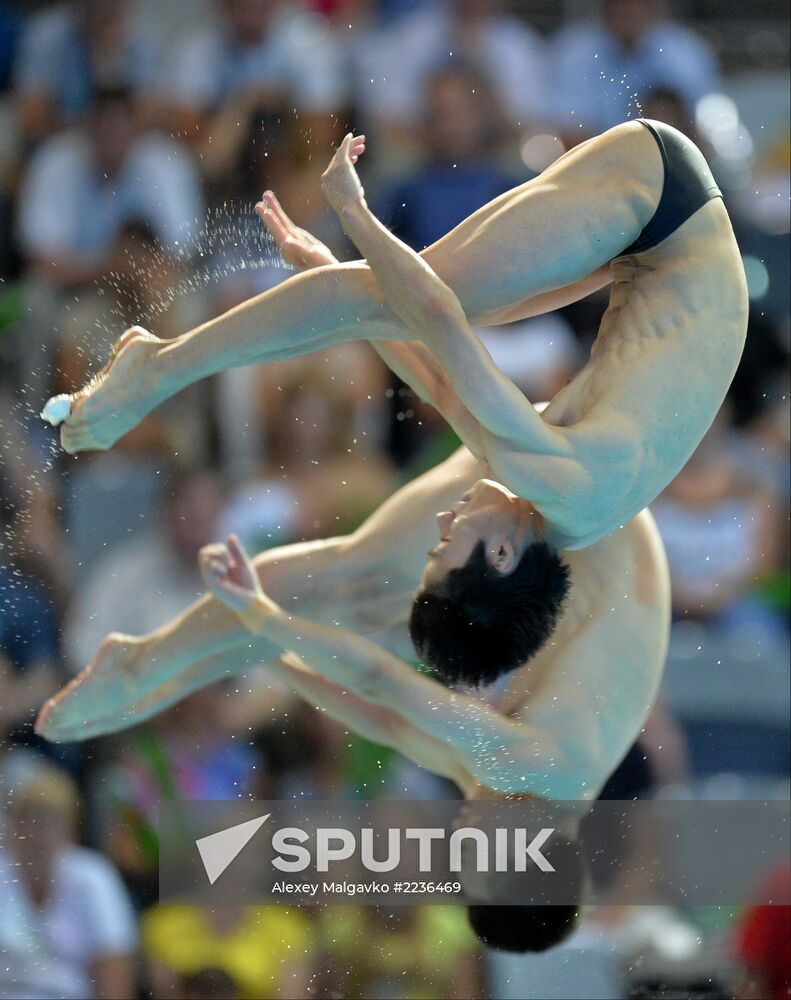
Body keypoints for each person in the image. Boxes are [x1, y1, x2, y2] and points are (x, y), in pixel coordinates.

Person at [46, 120, 744, 680]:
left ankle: (165, 364)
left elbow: (443, 383)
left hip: (655, 235)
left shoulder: (564, 510)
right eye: (448, 544)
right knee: (392, 296)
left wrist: (333, 274)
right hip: (656, 207)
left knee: (379, 300)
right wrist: (355, 217)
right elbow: (435, 317)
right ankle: (158, 367)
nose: (443, 519)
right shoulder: (562, 484)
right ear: (499, 557)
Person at [36, 426, 671, 952]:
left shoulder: (519, 789)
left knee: (354, 597)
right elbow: (380, 682)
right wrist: (262, 618)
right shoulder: (537, 763)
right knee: (351, 583)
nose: (461, 833)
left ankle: (160, 659)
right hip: (585, 495)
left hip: (572, 513)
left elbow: (384, 721)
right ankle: (142, 661)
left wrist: (276, 652)